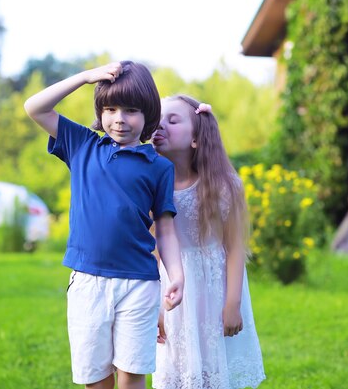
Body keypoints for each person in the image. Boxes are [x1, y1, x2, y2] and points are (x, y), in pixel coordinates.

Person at [24, 61, 184, 389]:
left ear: (147, 115)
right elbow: (34, 107)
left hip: (138, 285)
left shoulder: (159, 168)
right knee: (96, 379)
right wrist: (85, 78)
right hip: (88, 284)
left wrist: (176, 274)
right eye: (110, 109)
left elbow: (165, 229)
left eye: (130, 110)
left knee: (131, 377)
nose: (119, 119)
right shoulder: (83, 145)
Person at [151, 94, 265, 389]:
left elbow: (235, 246)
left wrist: (232, 304)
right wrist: (156, 308)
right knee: (176, 366)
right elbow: (153, 252)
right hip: (173, 293)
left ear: (196, 139)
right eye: (158, 118)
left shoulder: (225, 185)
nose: (160, 125)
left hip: (213, 288)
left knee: (212, 369)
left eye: (172, 120)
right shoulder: (149, 184)